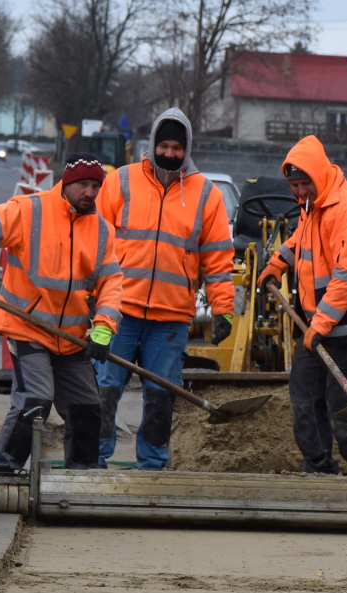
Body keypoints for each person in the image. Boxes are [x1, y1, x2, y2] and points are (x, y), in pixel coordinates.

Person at [93, 108, 235, 470]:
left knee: (161, 396)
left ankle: (152, 467)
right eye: (164, 145)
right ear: (152, 144)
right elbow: (92, 242)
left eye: (177, 147)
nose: (170, 154)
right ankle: (91, 459)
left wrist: (223, 309)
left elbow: (218, 258)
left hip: (170, 317)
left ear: (187, 149)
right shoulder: (120, 181)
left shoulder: (207, 195)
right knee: (104, 389)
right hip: (118, 311)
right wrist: (86, 297)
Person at [257, 135, 347, 475]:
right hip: (324, 324)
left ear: (320, 176)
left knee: (344, 402)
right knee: (304, 396)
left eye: (304, 183)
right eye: (293, 185)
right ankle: (319, 466)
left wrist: (320, 325)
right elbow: (302, 240)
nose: (299, 192)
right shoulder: (315, 206)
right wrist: (279, 261)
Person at [0, 158, 124, 471]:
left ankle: (80, 477)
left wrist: (104, 327)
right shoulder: (30, 211)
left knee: (87, 408)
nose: (90, 192)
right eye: (83, 185)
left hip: (72, 338)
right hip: (28, 328)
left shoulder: (102, 231)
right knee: (36, 400)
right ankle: (2, 470)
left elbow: (111, 284)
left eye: (96, 186)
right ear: (66, 183)